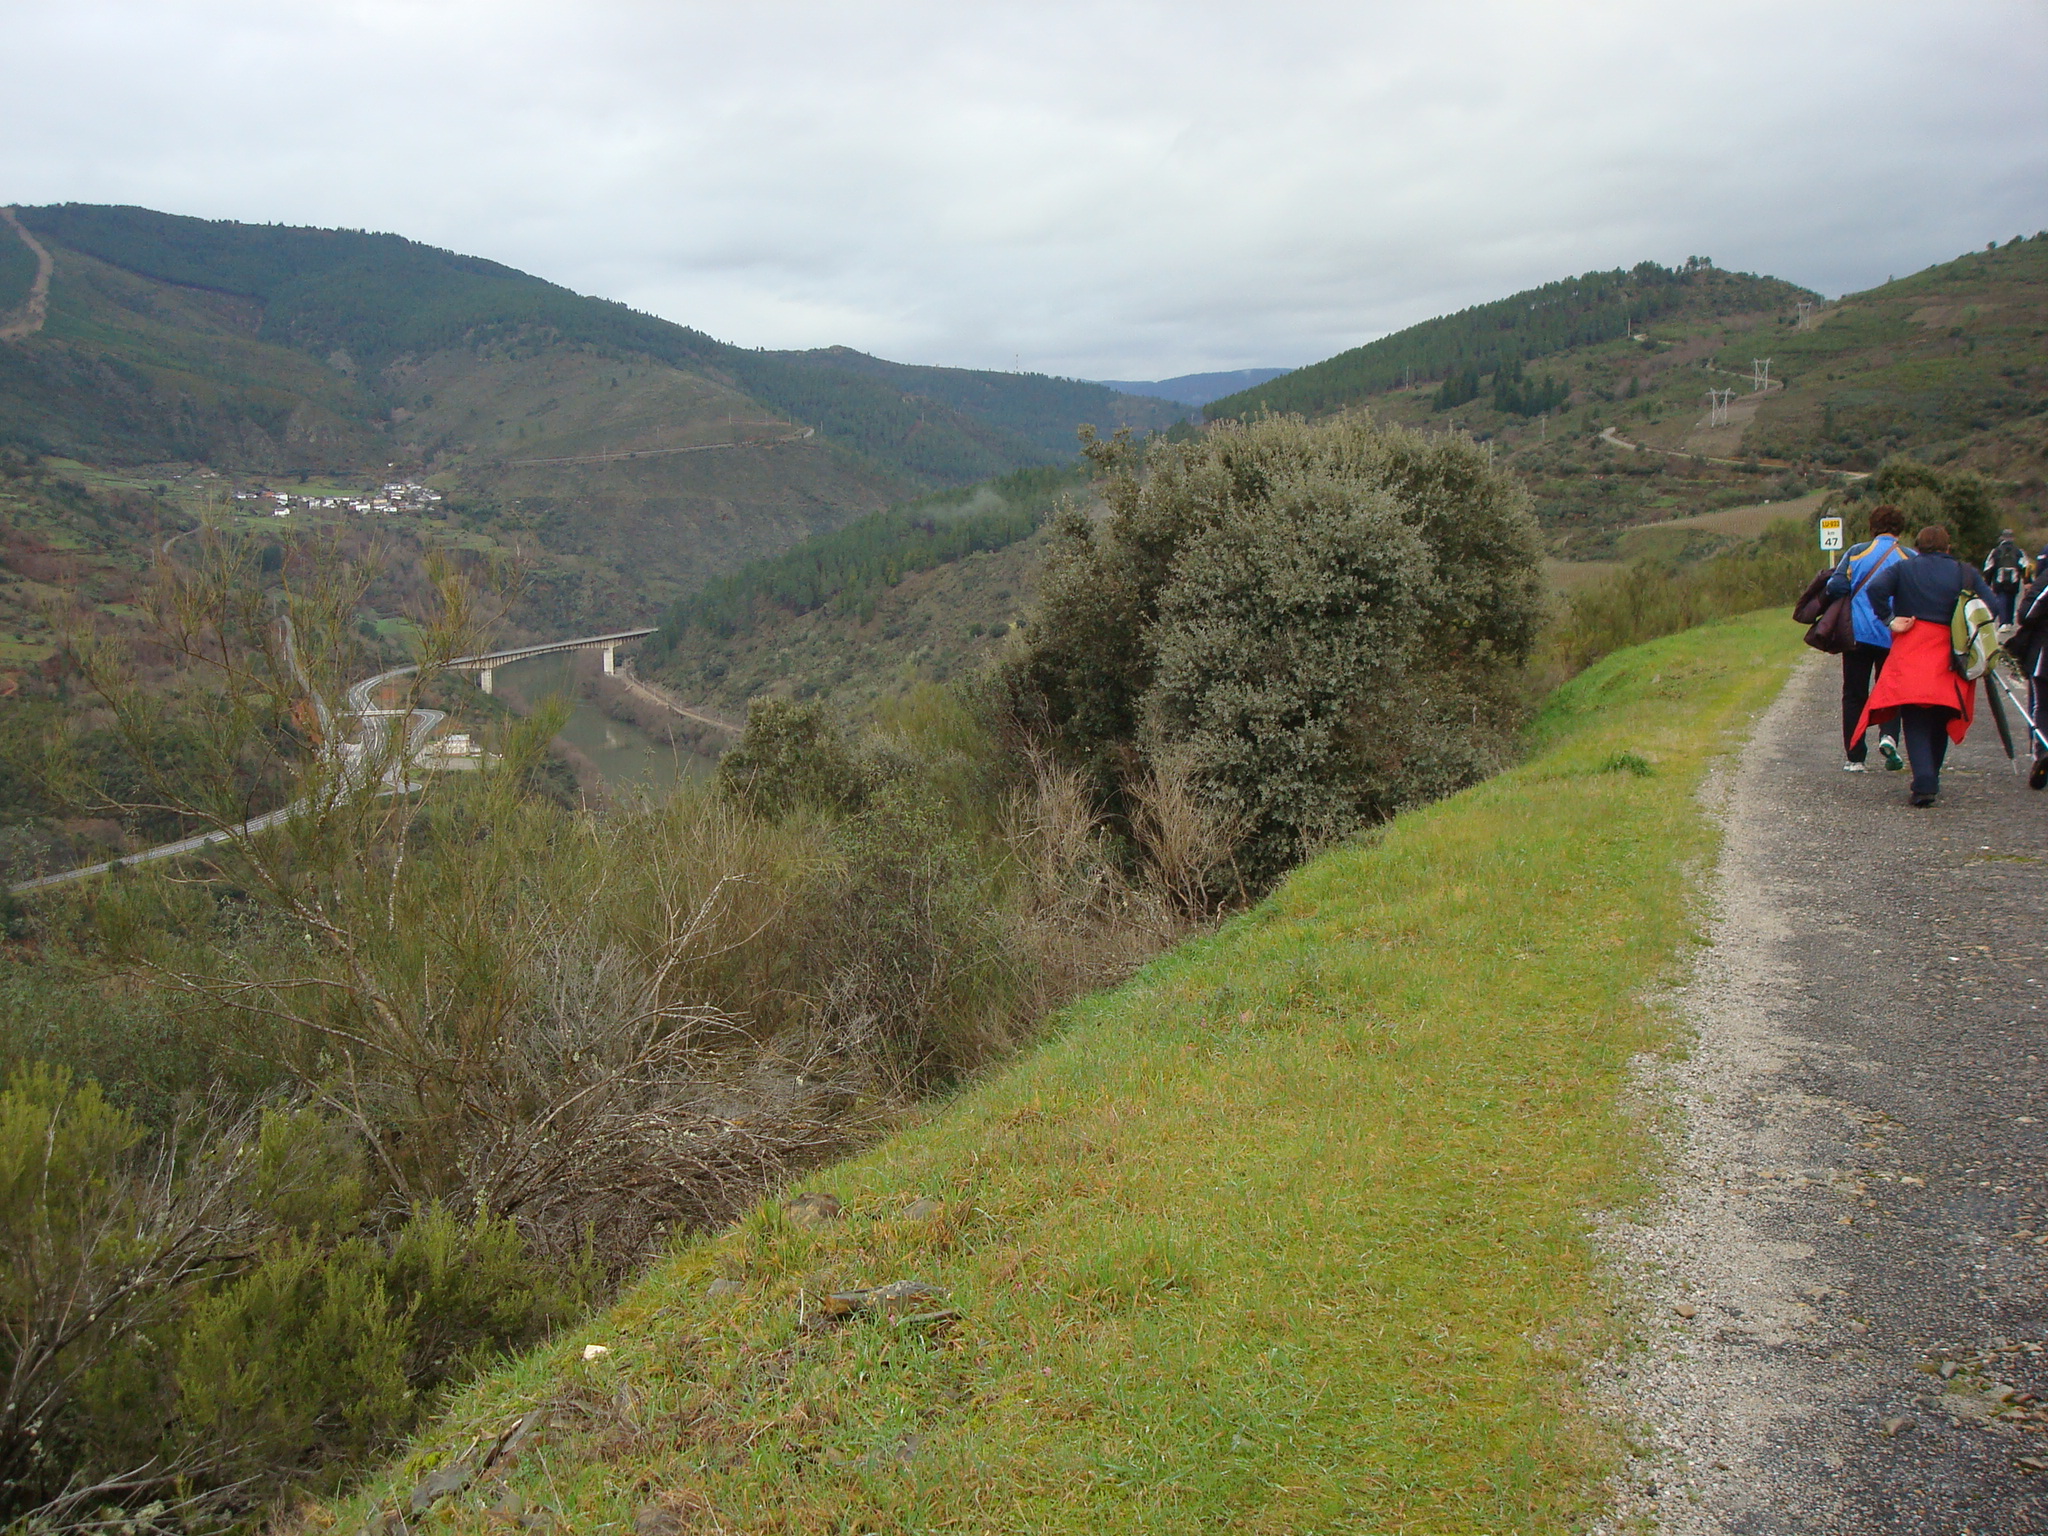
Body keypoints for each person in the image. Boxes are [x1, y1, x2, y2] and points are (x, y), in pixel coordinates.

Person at [1856, 524, 1998, 806]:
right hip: (1952, 655)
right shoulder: (1965, 572)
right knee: (1942, 717)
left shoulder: (1904, 569)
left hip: (1912, 651)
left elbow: (1875, 589)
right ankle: (1930, 776)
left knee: (1915, 718)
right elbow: (1992, 605)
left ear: (1918, 547)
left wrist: (1889, 619)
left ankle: (1924, 781)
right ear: (1948, 548)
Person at [1824, 503, 1911, 772]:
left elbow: (1836, 586)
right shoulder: (1909, 557)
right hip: (1894, 635)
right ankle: (1889, 737)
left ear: (1872, 527)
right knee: (1891, 691)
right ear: (1900, 528)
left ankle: (1855, 756)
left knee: (1854, 694)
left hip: (1858, 634)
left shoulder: (1857, 552)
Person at [1983, 528, 2033, 623]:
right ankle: (2009, 621)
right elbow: (2026, 567)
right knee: (2011, 599)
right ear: (2013, 538)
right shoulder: (2018, 551)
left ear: (2002, 538)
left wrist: (1987, 582)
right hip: (2013, 581)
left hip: (1999, 580)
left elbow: (1988, 567)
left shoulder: (1995, 551)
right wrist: (2027, 581)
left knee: (2001, 599)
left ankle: (2003, 622)